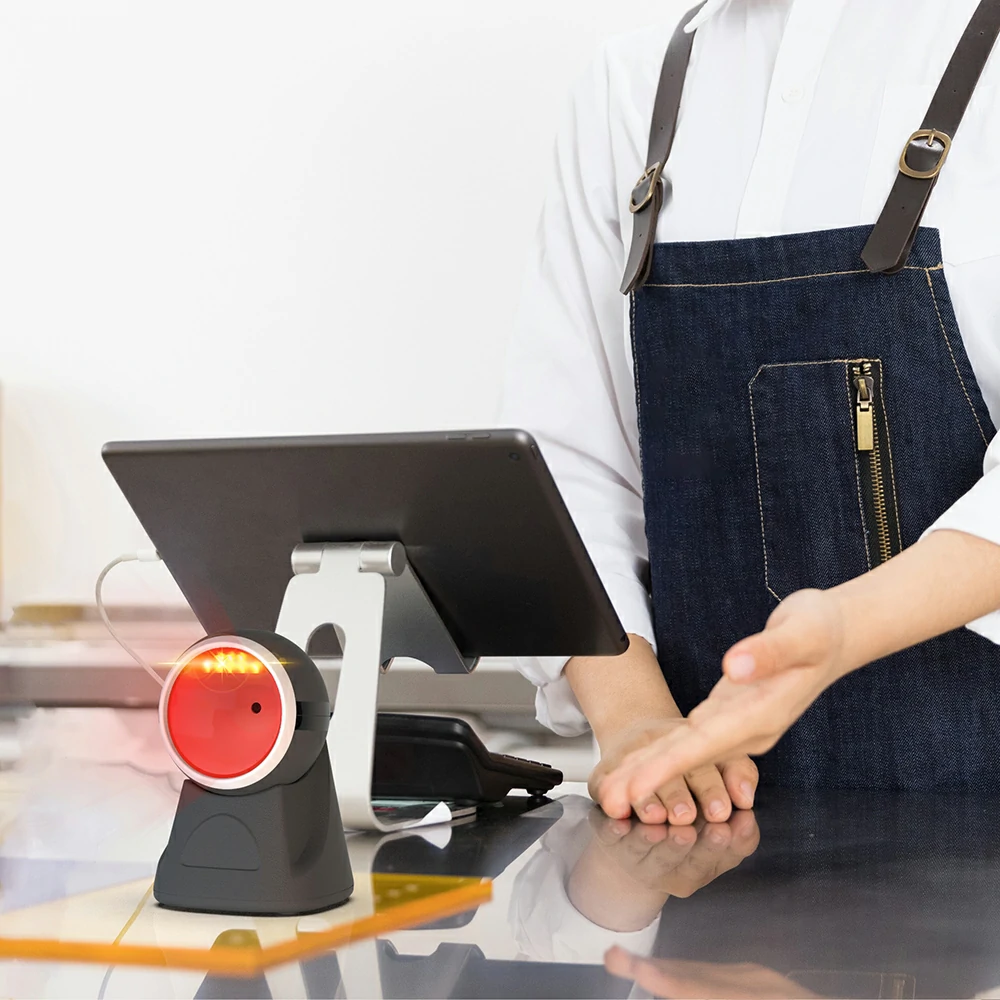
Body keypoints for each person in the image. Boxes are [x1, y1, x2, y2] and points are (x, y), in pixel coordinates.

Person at [501, 0, 1000, 825]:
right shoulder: (633, 87)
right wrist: (636, 723)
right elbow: (565, 462)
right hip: (712, 835)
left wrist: (843, 627)